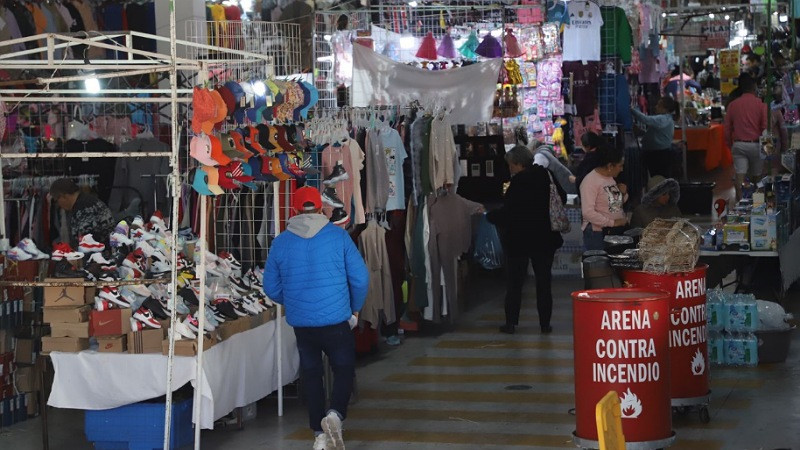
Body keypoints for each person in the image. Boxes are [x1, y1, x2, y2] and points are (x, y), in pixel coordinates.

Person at [263, 186, 369, 450]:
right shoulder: (339, 236)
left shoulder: (281, 242)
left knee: (311, 375)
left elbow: (270, 287)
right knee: (343, 368)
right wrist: (355, 308)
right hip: (336, 320)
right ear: (322, 208)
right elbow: (360, 278)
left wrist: (294, 301)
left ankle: (319, 436)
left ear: (294, 209)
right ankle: (335, 414)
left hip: (303, 324)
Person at [487, 145, 565, 335]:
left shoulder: (518, 183)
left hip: (519, 240)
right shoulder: (546, 175)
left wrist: (490, 216)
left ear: (519, 164)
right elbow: (561, 197)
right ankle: (545, 324)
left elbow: (508, 213)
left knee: (515, 283)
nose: (510, 168)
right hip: (545, 238)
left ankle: (511, 323)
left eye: (511, 165)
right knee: (544, 282)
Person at [724, 73, 767, 200]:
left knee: (740, 177)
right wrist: (768, 151)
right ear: (754, 88)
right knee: (757, 178)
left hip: (739, 145)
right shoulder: (761, 105)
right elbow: (765, 128)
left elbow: (727, 128)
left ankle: (740, 204)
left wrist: (730, 144)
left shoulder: (733, 105)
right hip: (756, 145)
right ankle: (757, 205)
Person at [580, 145, 628, 251]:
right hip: (597, 234)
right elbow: (588, 213)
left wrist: (623, 194)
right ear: (610, 165)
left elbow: (614, 205)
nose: (621, 169)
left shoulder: (610, 178)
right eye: (620, 166)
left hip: (612, 231)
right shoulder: (590, 182)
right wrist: (613, 223)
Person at [50, 178, 114, 248]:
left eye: (56, 200)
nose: (58, 204)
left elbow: (87, 244)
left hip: (101, 252)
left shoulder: (84, 209)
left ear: (64, 196)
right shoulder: (87, 201)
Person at [631, 97, 677, 178]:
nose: (656, 107)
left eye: (659, 105)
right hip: (659, 153)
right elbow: (657, 134)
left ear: (665, 109)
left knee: (658, 178)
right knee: (658, 177)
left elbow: (645, 119)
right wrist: (642, 132)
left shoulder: (663, 119)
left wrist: (631, 109)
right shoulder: (666, 119)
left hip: (658, 155)